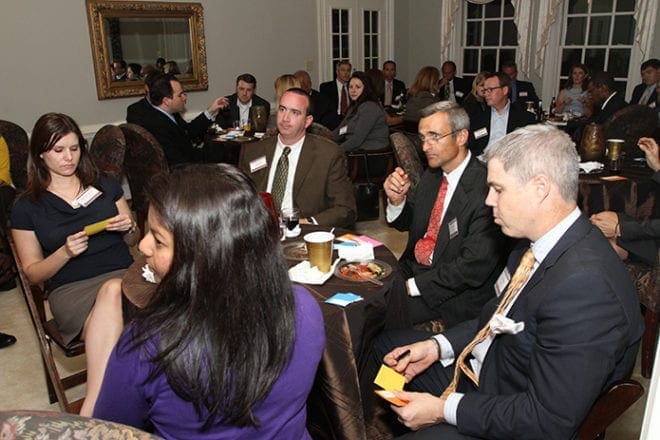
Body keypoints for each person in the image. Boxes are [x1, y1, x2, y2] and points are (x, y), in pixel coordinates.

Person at [372, 124, 643, 439]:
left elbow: (547, 420)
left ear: (540, 187)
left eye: (498, 189)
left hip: (510, 413)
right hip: (487, 371)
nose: (488, 201)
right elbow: (497, 321)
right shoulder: (532, 244)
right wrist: (437, 346)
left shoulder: (586, 287)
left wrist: (441, 410)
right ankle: (393, 422)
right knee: (385, 349)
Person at [93, 164, 325, 438]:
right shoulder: (304, 307)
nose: (142, 247)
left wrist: (101, 370)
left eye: (158, 240)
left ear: (203, 257)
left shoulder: (148, 346)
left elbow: (110, 431)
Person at [10, 113, 138, 415]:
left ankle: (97, 411)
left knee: (117, 293)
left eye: (74, 148)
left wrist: (129, 227)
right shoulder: (27, 206)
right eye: (58, 151)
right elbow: (32, 274)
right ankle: (100, 408)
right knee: (113, 291)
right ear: (40, 153)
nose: (68, 158)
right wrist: (64, 253)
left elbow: (136, 241)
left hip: (126, 275)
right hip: (72, 290)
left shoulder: (105, 184)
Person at [383, 102, 505, 328]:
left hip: (454, 294)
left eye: (434, 137)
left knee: (377, 317)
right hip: (415, 270)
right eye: (422, 138)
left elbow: (473, 267)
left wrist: (412, 286)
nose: (425, 146)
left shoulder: (487, 188)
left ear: (461, 137)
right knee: (359, 292)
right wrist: (397, 201)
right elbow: (419, 225)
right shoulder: (433, 175)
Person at [239, 88, 356, 227]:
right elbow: (240, 200)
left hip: (303, 232)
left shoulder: (328, 155)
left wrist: (307, 223)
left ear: (307, 121)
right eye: (282, 109)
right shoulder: (253, 151)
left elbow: (345, 209)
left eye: (294, 112)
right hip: (259, 229)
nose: (285, 118)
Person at [131, 73, 229, 167]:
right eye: (180, 95)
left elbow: (189, 131)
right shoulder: (156, 125)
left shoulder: (169, 114)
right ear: (167, 101)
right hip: (185, 174)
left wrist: (211, 111)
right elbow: (179, 162)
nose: (185, 98)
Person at [590, 137, 660, 265]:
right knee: (600, 220)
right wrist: (657, 166)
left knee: (600, 244)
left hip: (655, 238)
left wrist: (619, 229)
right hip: (652, 228)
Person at [468, 72, 536, 156]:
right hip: (483, 162)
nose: (486, 94)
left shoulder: (525, 118)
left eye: (490, 90)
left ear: (504, 90)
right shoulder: (477, 116)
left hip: (511, 163)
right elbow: (470, 145)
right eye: (485, 90)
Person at [333, 71, 389, 152]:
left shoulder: (370, 107)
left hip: (370, 154)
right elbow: (341, 130)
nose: (353, 90)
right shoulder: (354, 106)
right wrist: (326, 140)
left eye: (358, 87)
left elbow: (357, 139)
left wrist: (335, 151)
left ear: (366, 89)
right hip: (356, 150)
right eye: (350, 87)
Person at [320, 60, 353, 129]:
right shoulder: (326, 87)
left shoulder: (353, 87)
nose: (346, 73)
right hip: (333, 120)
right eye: (343, 70)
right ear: (337, 72)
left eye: (348, 70)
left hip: (349, 120)